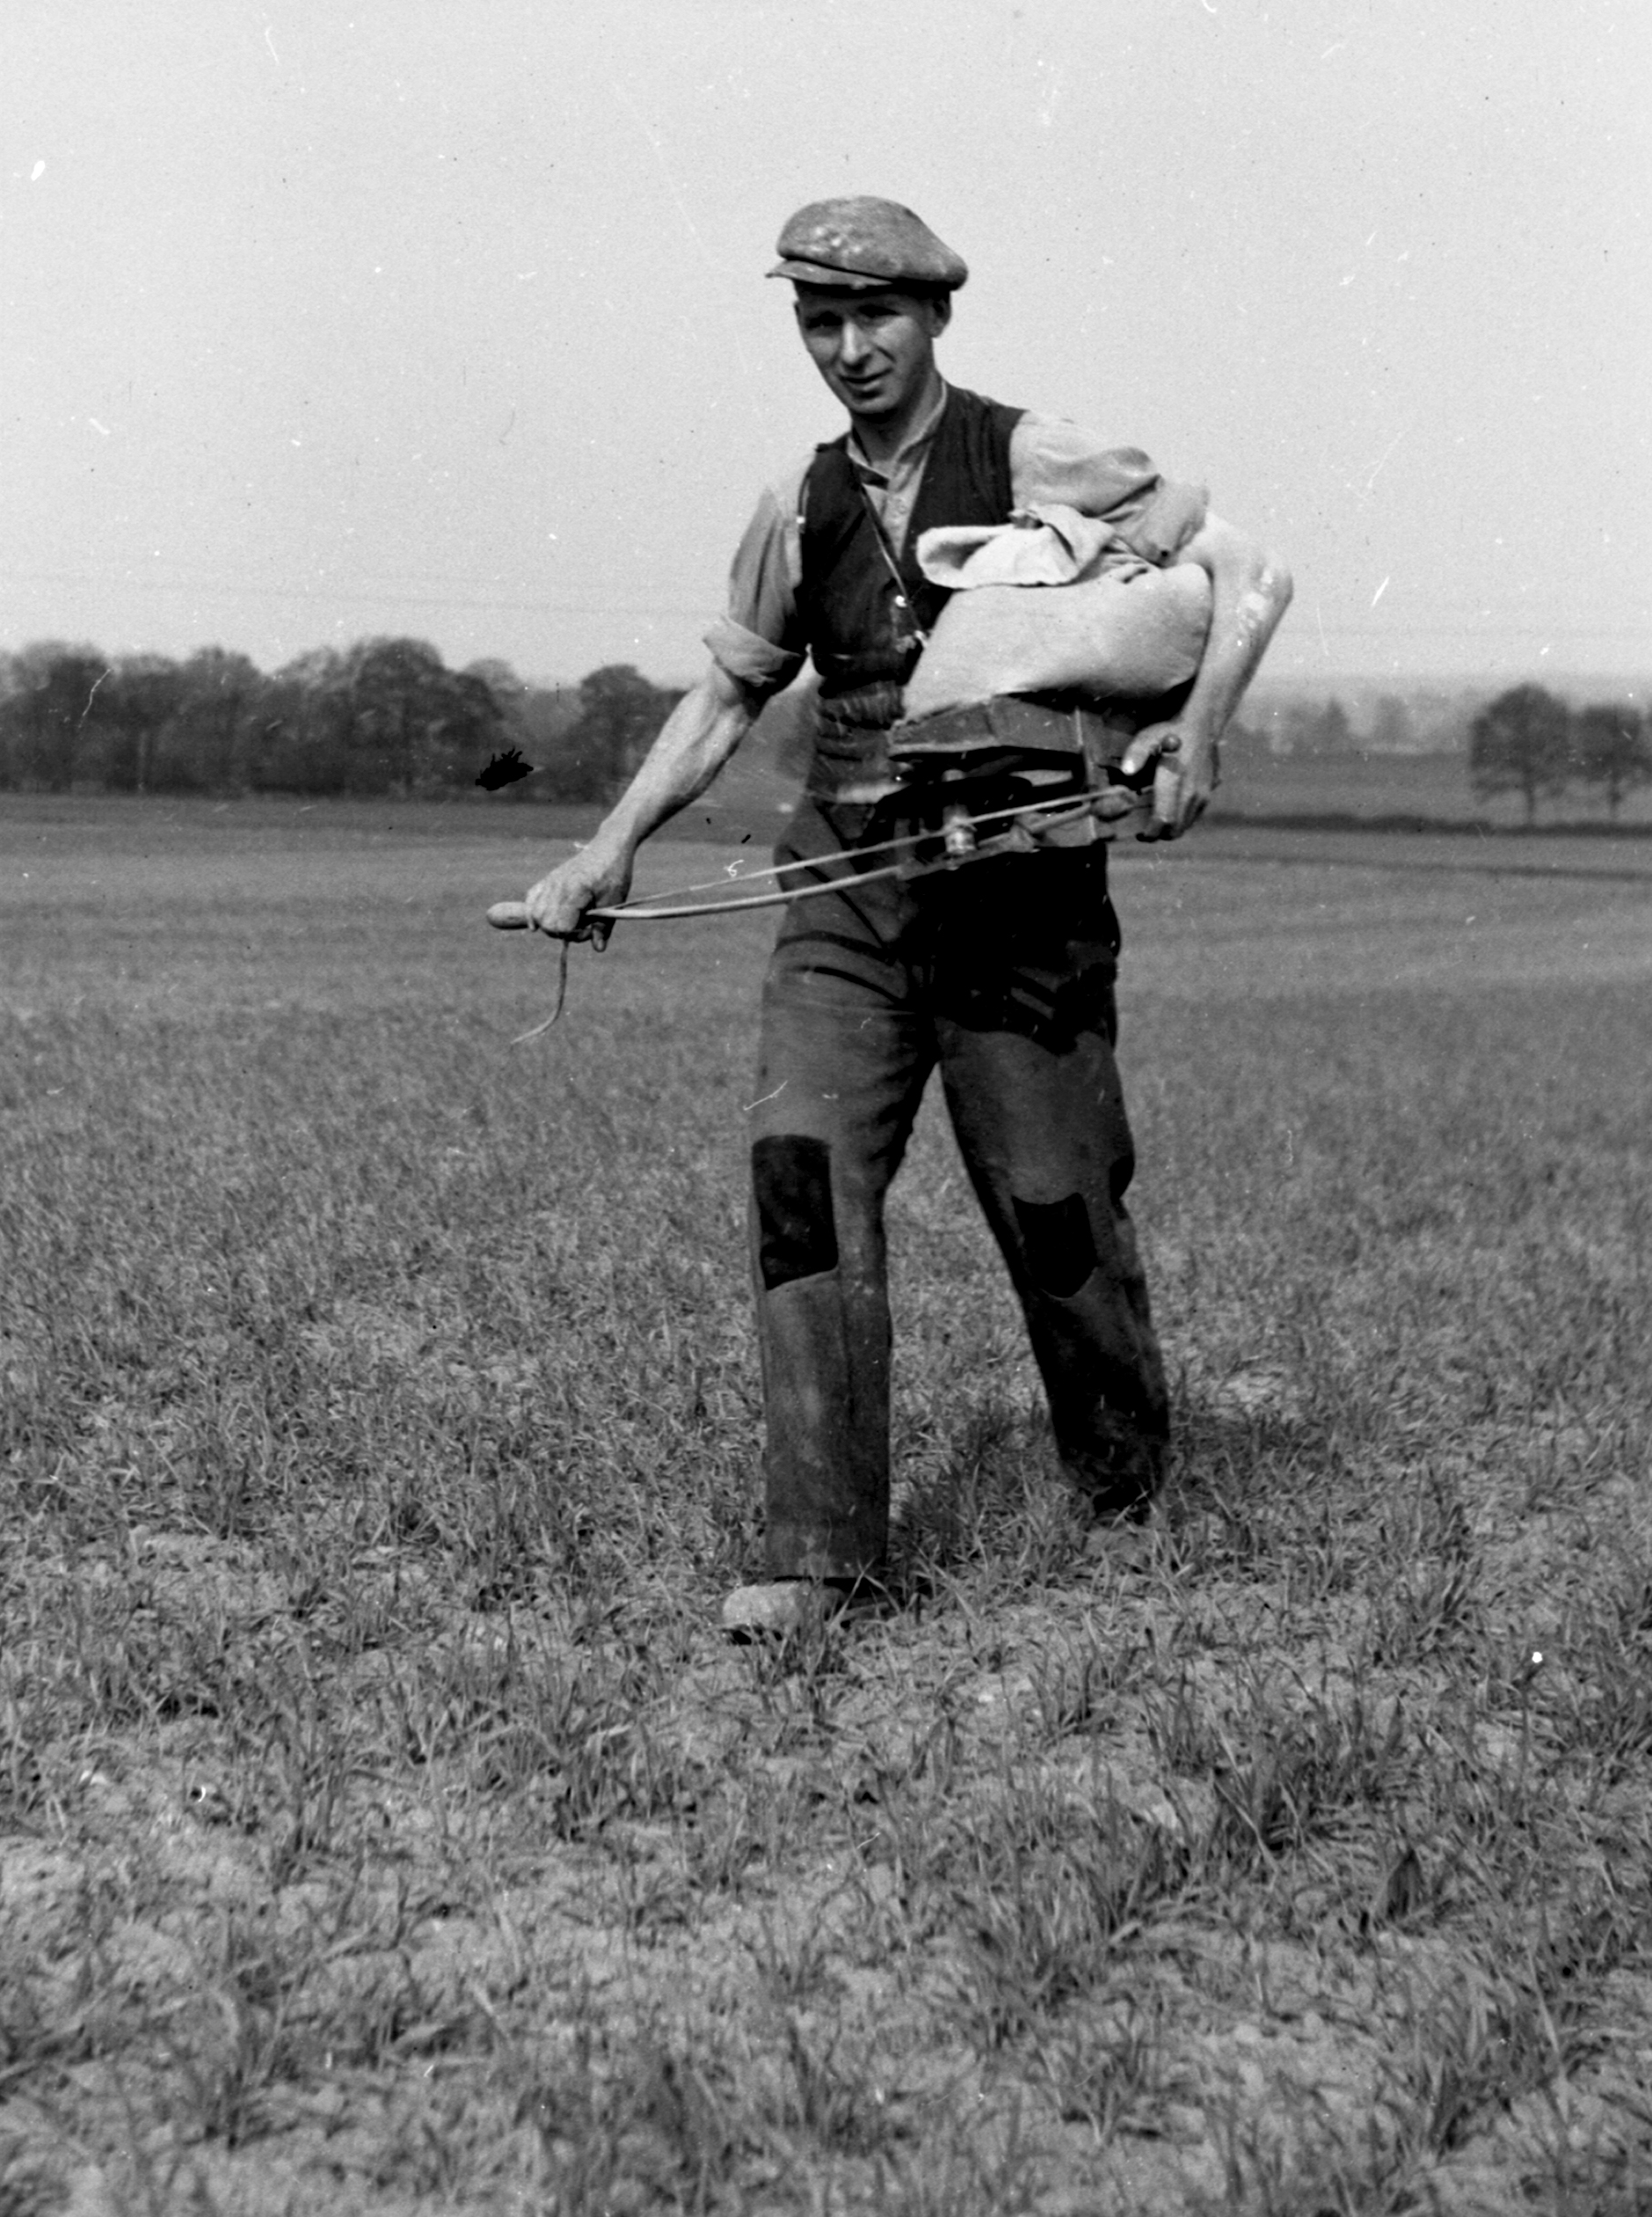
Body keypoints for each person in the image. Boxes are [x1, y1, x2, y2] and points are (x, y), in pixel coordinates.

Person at [520, 196, 1293, 1639]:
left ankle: (1124, 1492)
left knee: (1054, 1205)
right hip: (846, 893)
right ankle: (820, 1556)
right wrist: (607, 847)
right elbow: (732, 689)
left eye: (876, 317)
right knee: (799, 1179)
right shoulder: (797, 505)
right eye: (821, 322)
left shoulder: (1032, 455)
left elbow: (1254, 572)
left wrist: (1195, 730)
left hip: (1016, 894)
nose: (850, 348)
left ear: (935, 315)